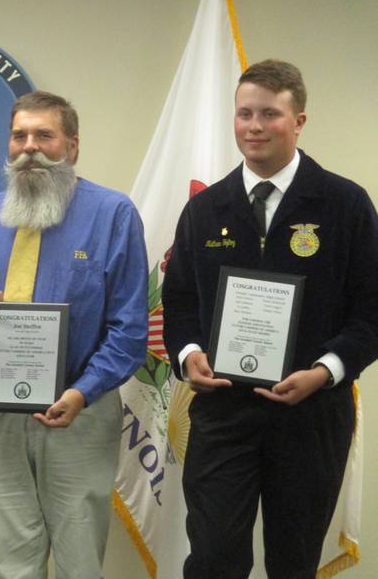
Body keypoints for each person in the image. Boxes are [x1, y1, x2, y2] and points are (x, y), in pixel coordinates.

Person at [162, 59, 378, 578]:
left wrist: (325, 371)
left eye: (269, 114)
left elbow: (371, 312)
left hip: (311, 415)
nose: (254, 126)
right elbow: (181, 304)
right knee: (213, 557)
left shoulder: (345, 204)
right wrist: (189, 355)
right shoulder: (206, 208)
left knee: (293, 561)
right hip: (223, 413)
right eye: (243, 114)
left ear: (299, 120)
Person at [0, 91, 149, 579]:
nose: (30, 148)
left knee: (78, 561)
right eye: (20, 136)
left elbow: (130, 329)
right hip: (6, 416)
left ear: (72, 146)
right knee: (12, 561)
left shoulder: (113, 213)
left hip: (80, 413)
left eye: (44, 135)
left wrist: (80, 393)